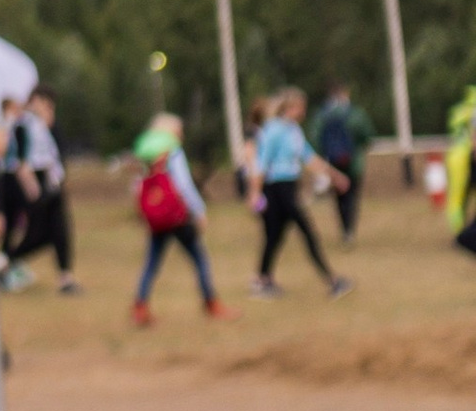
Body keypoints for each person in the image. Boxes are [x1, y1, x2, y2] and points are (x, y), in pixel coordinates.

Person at [248, 91, 349, 299]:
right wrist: (255, 193)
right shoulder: (273, 130)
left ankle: (262, 280)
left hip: (289, 186)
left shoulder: (294, 130)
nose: (302, 111)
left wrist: (335, 176)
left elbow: (309, 158)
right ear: (288, 108)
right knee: (307, 231)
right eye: (299, 107)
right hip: (276, 188)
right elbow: (261, 163)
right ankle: (332, 280)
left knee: (274, 236)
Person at [131, 117, 226, 324]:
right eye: (179, 130)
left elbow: (138, 187)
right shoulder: (172, 150)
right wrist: (199, 210)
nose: (181, 135)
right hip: (177, 216)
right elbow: (184, 185)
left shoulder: (145, 151)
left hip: (157, 219)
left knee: (151, 263)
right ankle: (211, 303)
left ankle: (140, 307)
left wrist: (145, 213)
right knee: (199, 258)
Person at [0, 85, 81, 293]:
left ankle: (66, 277)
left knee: (61, 230)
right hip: (33, 182)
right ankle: (4, 262)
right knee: (40, 233)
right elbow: (21, 162)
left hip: (50, 180)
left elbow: (57, 155)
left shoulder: (48, 126)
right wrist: (34, 191)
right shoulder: (23, 124)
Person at [309, 83, 368, 244]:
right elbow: (367, 135)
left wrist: (323, 158)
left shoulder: (322, 114)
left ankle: (344, 228)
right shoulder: (356, 114)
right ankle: (349, 229)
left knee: (339, 197)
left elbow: (315, 138)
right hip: (354, 162)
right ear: (346, 93)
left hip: (332, 162)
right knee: (352, 196)